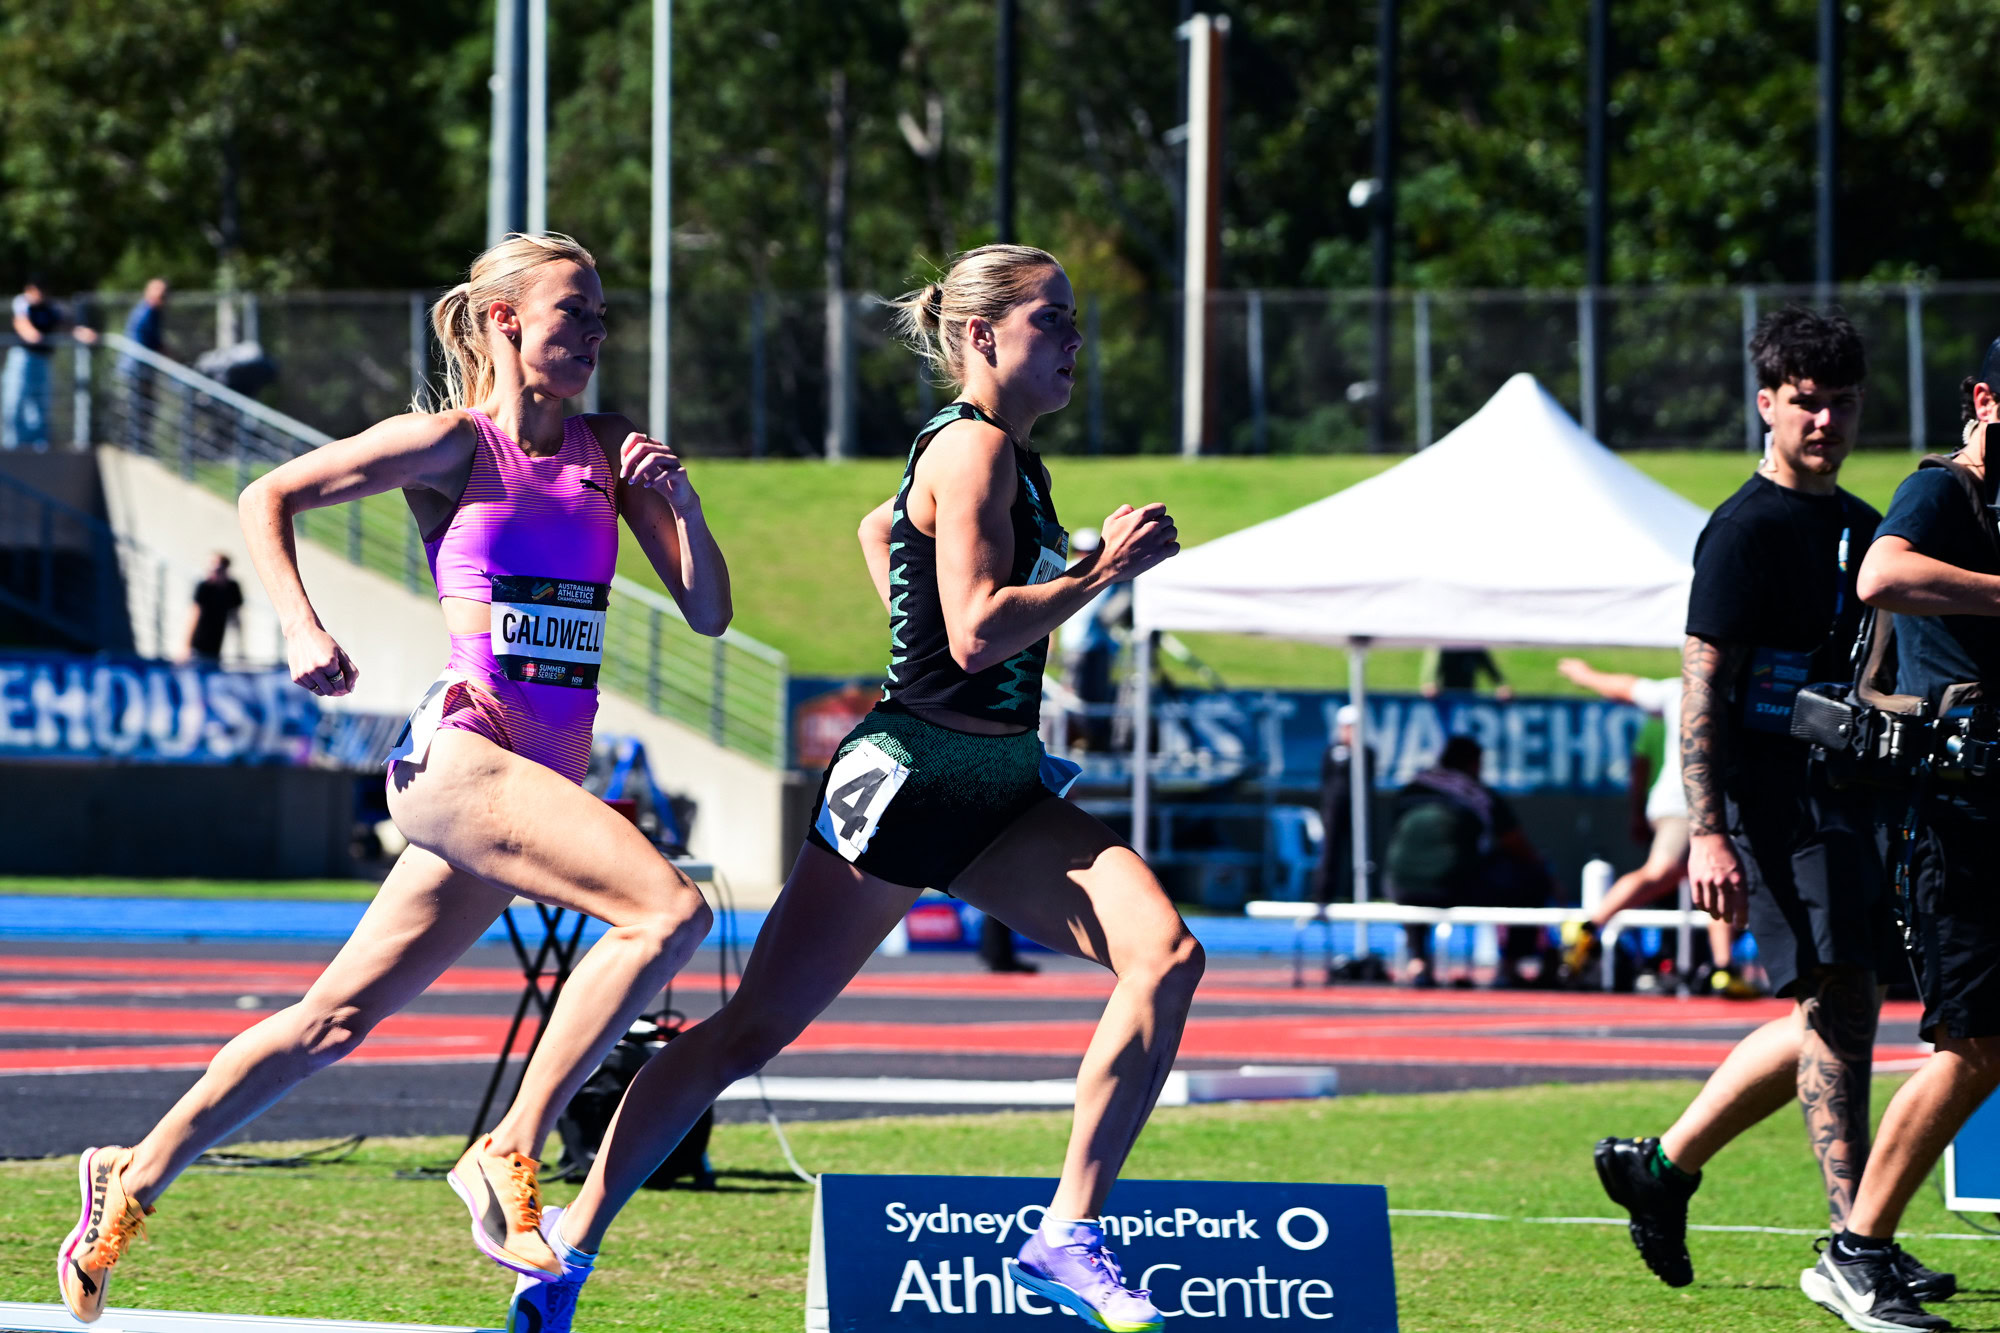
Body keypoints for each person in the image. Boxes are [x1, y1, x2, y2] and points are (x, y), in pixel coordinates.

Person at [502, 245, 1197, 1333]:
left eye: (1073, 321)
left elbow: (882, 528)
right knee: (749, 1031)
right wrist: (1099, 571)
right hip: (913, 778)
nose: (1075, 340)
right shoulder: (972, 448)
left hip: (1000, 785)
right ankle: (570, 1243)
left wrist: (925, 609)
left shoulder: (1001, 453)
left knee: (1164, 955)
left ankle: (1067, 1231)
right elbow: (974, 635)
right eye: (1052, 320)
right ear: (981, 336)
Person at [55, 233, 728, 1324]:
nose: (596, 335)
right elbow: (268, 495)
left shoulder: (610, 449)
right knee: (668, 913)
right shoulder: (451, 444)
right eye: (574, 312)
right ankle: (509, 1146)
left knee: (332, 1020)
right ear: (505, 320)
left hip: (534, 780)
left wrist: (684, 508)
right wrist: (299, 625)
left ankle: (128, 1177)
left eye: (603, 317)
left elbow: (708, 612)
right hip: (465, 755)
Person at [1591, 308, 1952, 1307]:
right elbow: (1699, 688)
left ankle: (1660, 1165)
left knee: (1837, 1007)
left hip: (1845, 796)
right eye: (1805, 401)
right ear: (1766, 404)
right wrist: (1706, 831)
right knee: (1838, 1001)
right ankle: (1855, 1240)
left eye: (1841, 403)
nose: (1823, 420)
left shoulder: (1861, 526)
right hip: (1766, 805)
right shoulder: (1742, 530)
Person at [1797, 344, 2000, 1330]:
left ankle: (1860, 1247)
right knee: (1973, 1044)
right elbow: (1881, 572)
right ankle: (1855, 1250)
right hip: (1956, 820)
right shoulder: (1941, 490)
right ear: (1984, 400)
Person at [1554, 657, 1747, 995]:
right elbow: (1625, 688)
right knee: (1663, 871)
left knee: (1724, 880)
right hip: (1686, 804)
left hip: (1714, 804)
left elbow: (1626, 686)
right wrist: (1586, 675)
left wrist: (1586, 675)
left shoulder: (1717, 690)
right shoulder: (1684, 690)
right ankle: (1589, 926)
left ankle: (1724, 967)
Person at [1382, 735, 1549, 987]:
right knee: (1531, 880)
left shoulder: (1412, 787)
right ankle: (1510, 966)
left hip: (1396, 885)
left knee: (1416, 878)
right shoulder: (1477, 791)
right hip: (1450, 887)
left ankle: (1418, 961)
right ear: (1473, 763)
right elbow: (1516, 844)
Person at [5, 276, 96, 450]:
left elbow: (69, 326)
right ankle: (13, 445)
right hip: (23, 358)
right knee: (16, 401)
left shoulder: (52, 307)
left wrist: (84, 333)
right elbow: (22, 323)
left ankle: (39, 446)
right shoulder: (22, 303)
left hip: (42, 359)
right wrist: (32, 334)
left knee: (41, 403)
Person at [1315, 703, 1376, 903]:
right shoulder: (1332, 750)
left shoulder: (1366, 752)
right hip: (1334, 810)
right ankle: (1323, 897)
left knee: (1360, 853)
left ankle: (1358, 895)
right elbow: (1326, 780)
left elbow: (1368, 781)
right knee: (1330, 853)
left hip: (1358, 811)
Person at [119, 278, 169, 448]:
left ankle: (140, 444)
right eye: (159, 292)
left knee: (145, 407)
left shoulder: (152, 312)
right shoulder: (146, 312)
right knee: (139, 407)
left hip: (142, 369)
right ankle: (136, 445)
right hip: (137, 369)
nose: (162, 297)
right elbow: (150, 342)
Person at [182, 553, 243, 664]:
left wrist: (239, 647)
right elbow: (194, 615)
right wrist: (186, 646)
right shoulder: (203, 587)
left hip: (216, 644)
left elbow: (236, 617)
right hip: (198, 643)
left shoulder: (232, 587)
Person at [1420, 646, 1512, 699]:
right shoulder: (1445, 647)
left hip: (1468, 694)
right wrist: (1431, 683)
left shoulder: (1475, 647)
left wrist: (1501, 684)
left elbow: (1489, 667)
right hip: (1447, 696)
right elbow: (1436, 667)